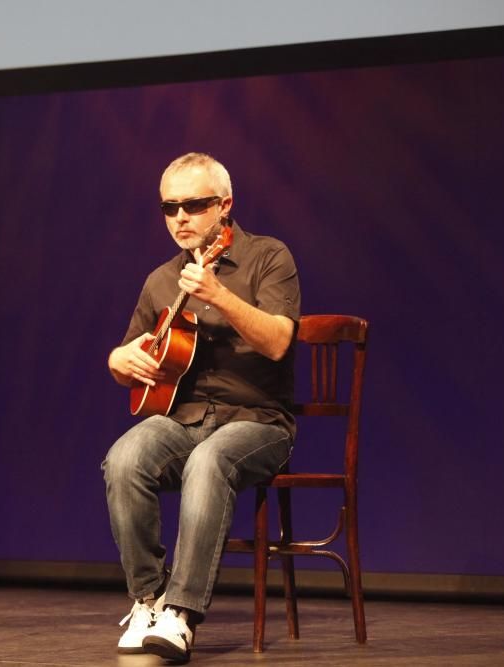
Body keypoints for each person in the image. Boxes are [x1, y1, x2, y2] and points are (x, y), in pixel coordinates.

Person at [102, 152, 300, 662]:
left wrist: (220, 295)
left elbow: (279, 341)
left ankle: (181, 615)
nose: (180, 219)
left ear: (224, 205)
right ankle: (148, 600)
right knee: (125, 458)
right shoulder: (161, 279)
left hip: (259, 421)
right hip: (186, 419)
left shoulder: (268, 257)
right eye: (170, 208)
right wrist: (119, 360)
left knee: (211, 461)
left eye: (193, 205)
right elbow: (128, 358)